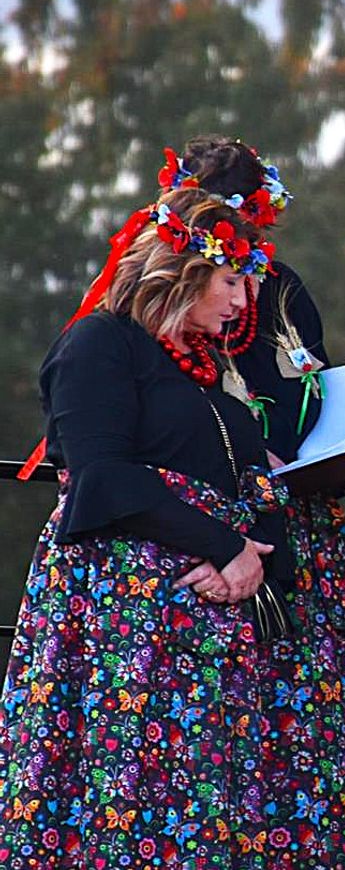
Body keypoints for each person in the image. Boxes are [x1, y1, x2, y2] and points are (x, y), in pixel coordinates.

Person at [168, 136, 345, 865]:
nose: (238, 244)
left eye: (249, 224)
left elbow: (310, 391)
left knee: (306, 727)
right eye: (217, 224)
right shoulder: (154, 302)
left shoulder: (283, 288)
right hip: (207, 533)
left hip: (300, 524)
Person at [0, 188, 288, 864]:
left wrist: (255, 556)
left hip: (211, 610)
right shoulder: (99, 343)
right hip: (128, 615)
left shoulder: (207, 367)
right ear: (183, 269)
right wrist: (223, 546)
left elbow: (248, 471)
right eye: (230, 280)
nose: (242, 300)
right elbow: (103, 474)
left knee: (207, 800)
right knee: (130, 789)